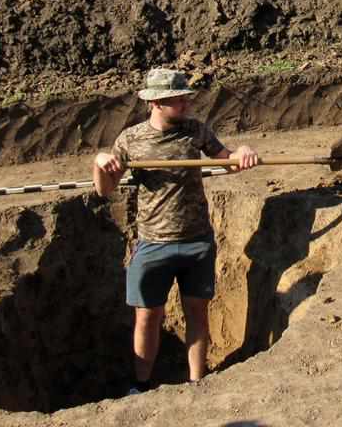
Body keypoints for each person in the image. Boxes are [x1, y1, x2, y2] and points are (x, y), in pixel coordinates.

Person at [92, 68, 258, 392]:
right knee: (147, 317)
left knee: (197, 313)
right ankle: (141, 384)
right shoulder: (130, 140)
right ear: (155, 103)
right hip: (153, 244)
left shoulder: (195, 131)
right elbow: (104, 189)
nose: (185, 105)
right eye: (176, 100)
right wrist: (98, 164)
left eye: (185, 98)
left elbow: (226, 158)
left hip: (198, 242)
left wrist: (243, 152)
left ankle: (197, 381)